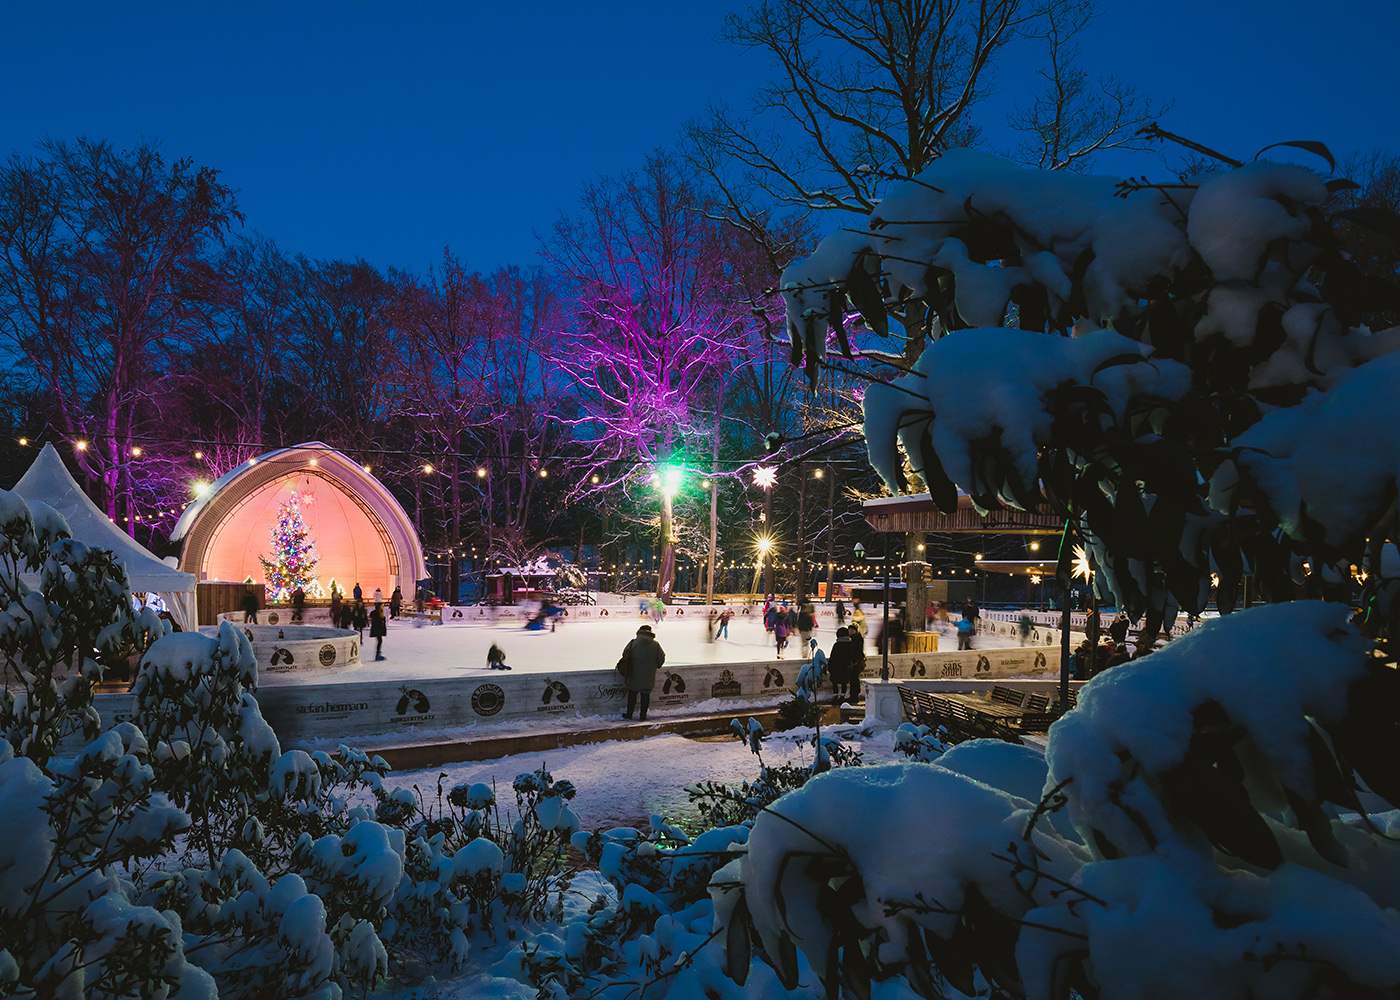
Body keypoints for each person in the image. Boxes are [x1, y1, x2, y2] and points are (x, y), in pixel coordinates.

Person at [621, 624, 665, 721]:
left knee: (632, 694)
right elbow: (661, 659)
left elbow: (624, 654)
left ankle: (629, 714)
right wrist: (655, 666)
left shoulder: (634, 643)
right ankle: (643, 716)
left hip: (634, 674)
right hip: (649, 675)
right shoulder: (656, 645)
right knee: (645, 695)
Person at [827, 626, 860, 704]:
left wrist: (830, 667)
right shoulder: (851, 644)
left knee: (835, 683)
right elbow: (853, 656)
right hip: (846, 669)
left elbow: (833, 657)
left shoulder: (837, 645)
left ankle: (835, 696)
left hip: (836, 668)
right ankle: (842, 696)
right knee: (843, 683)